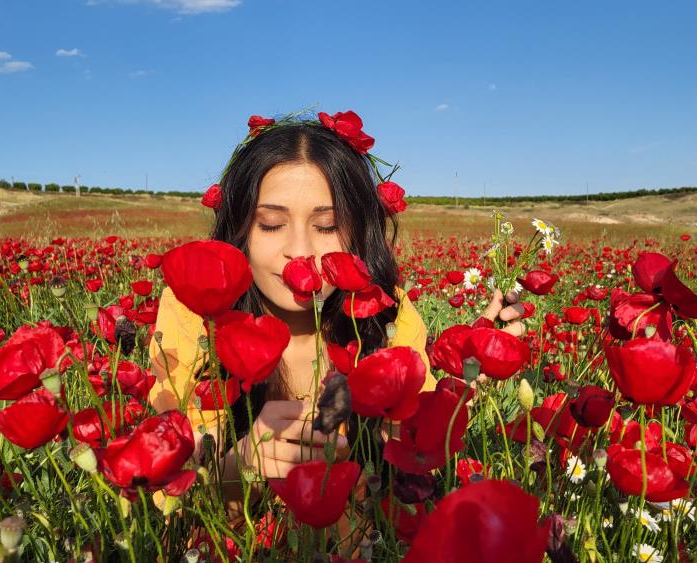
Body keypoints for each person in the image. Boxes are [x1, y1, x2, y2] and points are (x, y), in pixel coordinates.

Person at [147, 110, 526, 519]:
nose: (300, 250)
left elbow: (416, 453)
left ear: (359, 232)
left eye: (326, 226)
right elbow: (172, 493)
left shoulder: (385, 313)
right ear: (238, 229)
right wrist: (242, 464)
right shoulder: (192, 316)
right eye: (271, 224)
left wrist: (464, 383)